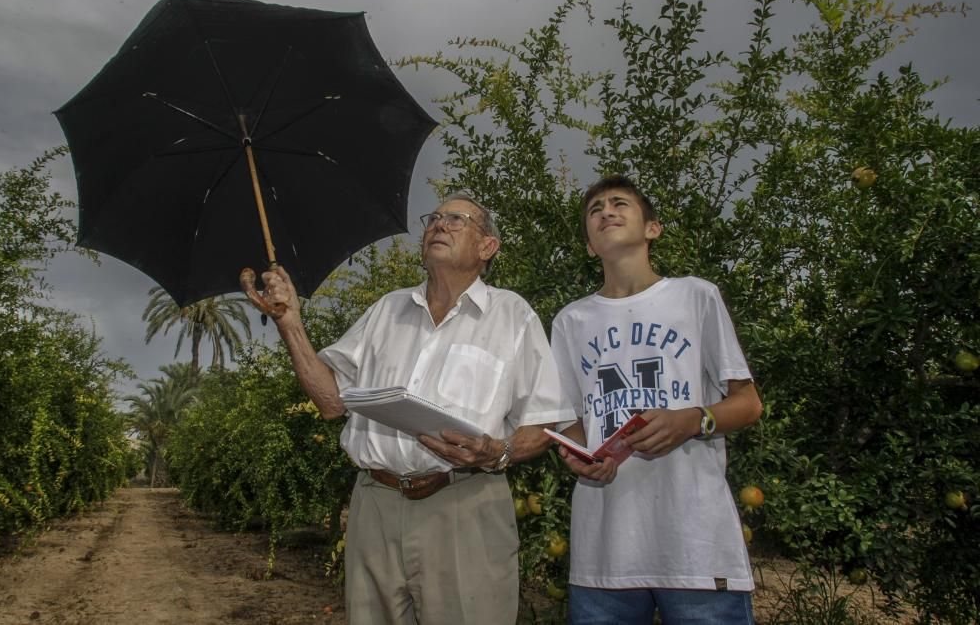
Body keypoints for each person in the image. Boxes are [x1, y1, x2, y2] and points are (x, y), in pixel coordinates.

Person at [255, 193, 575, 625]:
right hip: (375, 504)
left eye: (457, 219)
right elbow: (331, 403)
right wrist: (290, 321)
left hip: (465, 502)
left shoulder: (512, 316)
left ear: (487, 248)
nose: (439, 225)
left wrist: (497, 452)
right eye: (435, 217)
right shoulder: (387, 310)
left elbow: (543, 419)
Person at [550, 175, 763, 625]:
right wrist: (579, 455)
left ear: (653, 229)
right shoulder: (570, 321)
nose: (606, 211)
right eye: (595, 210)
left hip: (697, 548)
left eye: (619, 203)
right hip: (602, 556)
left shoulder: (695, 296)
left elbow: (748, 403)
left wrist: (692, 420)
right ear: (589, 245)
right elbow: (570, 420)